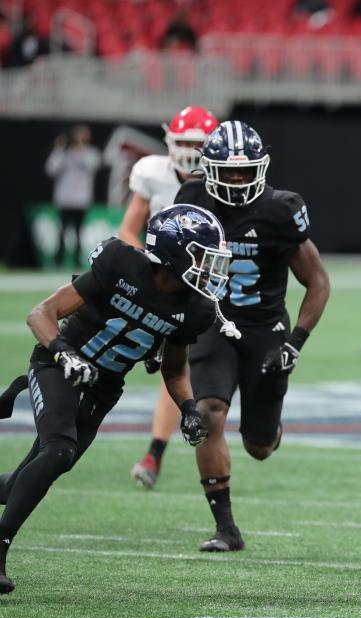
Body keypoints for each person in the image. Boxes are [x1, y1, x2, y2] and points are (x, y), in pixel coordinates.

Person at [0, 204, 230, 594]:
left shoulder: (195, 310)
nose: (210, 271)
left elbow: (174, 370)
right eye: (202, 259)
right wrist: (63, 353)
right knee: (59, 450)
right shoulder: (121, 263)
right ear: (173, 253)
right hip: (58, 364)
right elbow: (42, 314)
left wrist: (189, 408)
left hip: (103, 389)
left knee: (22, 483)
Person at [175, 121, 330, 551]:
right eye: (230, 171)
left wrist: (295, 341)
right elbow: (171, 271)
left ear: (261, 169)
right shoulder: (191, 199)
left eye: (246, 172)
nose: (239, 180)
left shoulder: (281, 210)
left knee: (259, 446)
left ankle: (269, 428)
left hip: (265, 329)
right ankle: (226, 527)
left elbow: (317, 282)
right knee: (208, 413)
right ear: (209, 169)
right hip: (211, 323)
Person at [120, 105, 220, 489]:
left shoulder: (221, 179)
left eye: (199, 143)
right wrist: (150, 268)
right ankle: (154, 453)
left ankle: (154, 454)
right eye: (185, 142)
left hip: (205, 286)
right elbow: (129, 231)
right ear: (169, 141)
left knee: (179, 368)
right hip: (161, 280)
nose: (191, 150)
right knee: (171, 367)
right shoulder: (152, 172)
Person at [45, 125, 101, 268]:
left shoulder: (91, 153)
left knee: (78, 231)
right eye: (78, 135)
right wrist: (59, 149)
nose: (80, 138)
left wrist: (81, 148)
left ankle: (76, 259)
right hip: (64, 200)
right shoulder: (64, 154)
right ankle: (58, 261)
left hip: (81, 200)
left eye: (83, 135)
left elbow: (91, 166)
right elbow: (51, 169)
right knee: (62, 231)